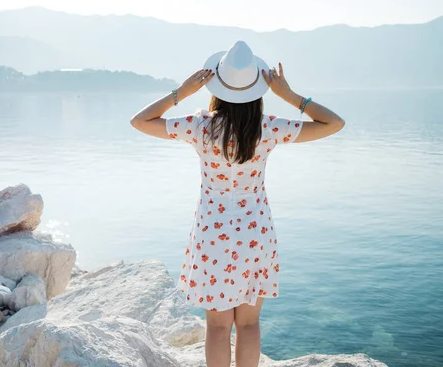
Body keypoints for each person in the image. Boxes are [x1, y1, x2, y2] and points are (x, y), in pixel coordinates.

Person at [130, 41, 345, 367]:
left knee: (217, 327)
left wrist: (183, 92)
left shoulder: (200, 127)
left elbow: (140, 121)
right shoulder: (269, 128)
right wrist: (289, 96)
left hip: (212, 238)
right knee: (248, 324)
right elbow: (334, 123)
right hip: (254, 235)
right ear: (257, 91)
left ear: (216, 87)